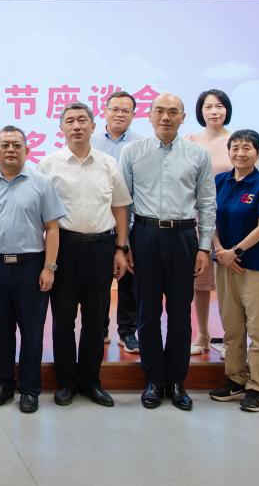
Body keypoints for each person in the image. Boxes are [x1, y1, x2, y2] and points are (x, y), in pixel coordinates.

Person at [118, 92, 215, 411]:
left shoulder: (198, 155)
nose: (165, 117)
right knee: (146, 312)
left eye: (173, 112)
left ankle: (176, 381)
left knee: (179, 313)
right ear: (149, 115)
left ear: (183, 118)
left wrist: (204, 247)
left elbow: (207, 204)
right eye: (159, 110)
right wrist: (124, 244)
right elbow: (123, 203)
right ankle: (153, 379)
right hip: (144, 235)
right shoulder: (132, 152)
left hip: (183, 237)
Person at [39, 103, 131, 408]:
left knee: (96, 319)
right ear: (61, 128)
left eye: (82, 120)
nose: (76, 126)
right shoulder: (48, 165)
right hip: (63, 248)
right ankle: (66, 382)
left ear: (93, 126)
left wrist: (121, 249)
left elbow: (120, 208)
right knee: (63, 318)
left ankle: (91, 381)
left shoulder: (108, 164)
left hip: (101, 248)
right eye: (70, 121)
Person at [0, 125, 66, 413]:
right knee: (2, 330)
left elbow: (53, 229)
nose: (10, 150)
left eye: (16, 145)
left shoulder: (42, 183)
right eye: (5, 145)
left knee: (31, 331)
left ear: (27, 150)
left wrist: (49, 268)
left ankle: (30, 389)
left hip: (31, 267)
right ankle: (4, 384)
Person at [208, 129, 259, 413]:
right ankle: (236, 380)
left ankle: (258, 387)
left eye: (247, 148)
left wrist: (235, 252)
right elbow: (210, 218)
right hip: (225, 265)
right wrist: (220, 251)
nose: (240, 153)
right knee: (232, 327)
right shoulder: (220, 181)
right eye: (235, 147)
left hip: (257, 267)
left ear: (257, 153)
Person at [92, 90, 142, 353]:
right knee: (99, 279)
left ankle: (127, 331)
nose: (120, 114)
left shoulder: (141, 144)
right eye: (115, 109)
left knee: (129, 279)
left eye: (126, 111)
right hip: (98, 221)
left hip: (132, 221)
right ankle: (99, 329)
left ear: (133, 115)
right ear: (105, 111)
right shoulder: (90, 141)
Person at [184, 88, 233, 355]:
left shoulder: (237, 140)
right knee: (199, 282)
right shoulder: (190, 140)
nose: (214, 111)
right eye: (208, 106)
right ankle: (202, 335)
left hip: (229, 218)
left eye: (219, 106)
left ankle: (230, 338)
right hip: (197, 218)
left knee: (228, 282)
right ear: (200, 111)